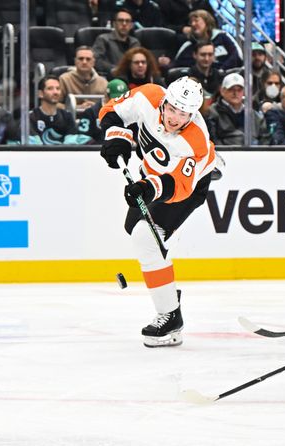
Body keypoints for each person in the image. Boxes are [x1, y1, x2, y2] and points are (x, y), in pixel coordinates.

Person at [98, 76, 218, 347]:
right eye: (173, 109)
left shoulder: (195, 140)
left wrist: (147, 188)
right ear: (164, 102)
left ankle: (169, 316)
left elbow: (180, 185)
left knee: (145, 238)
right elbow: (111, 111)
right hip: (151, 172)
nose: (175, 118)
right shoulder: (148, 96)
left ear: (193, 113)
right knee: (133, 229)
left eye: (184, 113)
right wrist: (118, 138)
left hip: (187, 185)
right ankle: (168, 295)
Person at [205, 72, 269, 145]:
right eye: (231, 89)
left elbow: (265, 138)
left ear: (244, 92)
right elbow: (212, 140)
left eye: (239, 90)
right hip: (223, 154)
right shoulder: (212, 113)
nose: (235, 93)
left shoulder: (254, 115)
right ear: (222, 91)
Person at [28, 75, 91, 145]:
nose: (55, 92)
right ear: (40, 94)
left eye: (58, 88)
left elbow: (71, 143)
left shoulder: (67, 116)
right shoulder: (31, 117)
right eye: (50, 88)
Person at [172, 10, 241, 70]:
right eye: (191, 22)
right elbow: (178, 65)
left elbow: (236, 55)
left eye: (196, 21)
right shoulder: (188, 45)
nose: (193, 24)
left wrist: (222, 69)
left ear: (207, 22)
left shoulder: (222, 36)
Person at [77, 78, 130, 142]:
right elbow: (82, 137)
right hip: (97, 149)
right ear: (106, 96)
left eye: (121, 98)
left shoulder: (130, 113)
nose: (118, 101)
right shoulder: (91, 113)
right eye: (115, 98)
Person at [59, 46, 109, 112]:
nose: (84, 62)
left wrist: (96, 107)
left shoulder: (103, 82)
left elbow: (109, 105)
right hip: (72, 118)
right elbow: (56, 104)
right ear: (75, 61)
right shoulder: (64, 79)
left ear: (93, 62)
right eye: (81, 59)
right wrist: (76, 107)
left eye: (88, 59)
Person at [92, 9, 140, 76]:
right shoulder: (103, 39)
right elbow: (96, 60)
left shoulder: (135, 42)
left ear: (131, 25)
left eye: (127, 21)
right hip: (109, 77)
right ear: (114, 24)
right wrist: (113, 69)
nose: (124, 24)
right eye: (121, 20)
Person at [184, 41, 223, 106]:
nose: (206, 59)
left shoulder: (219, 76)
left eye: (210, 55)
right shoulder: (187, 77)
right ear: (195, 55)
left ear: (214, 56)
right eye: (203, 55)